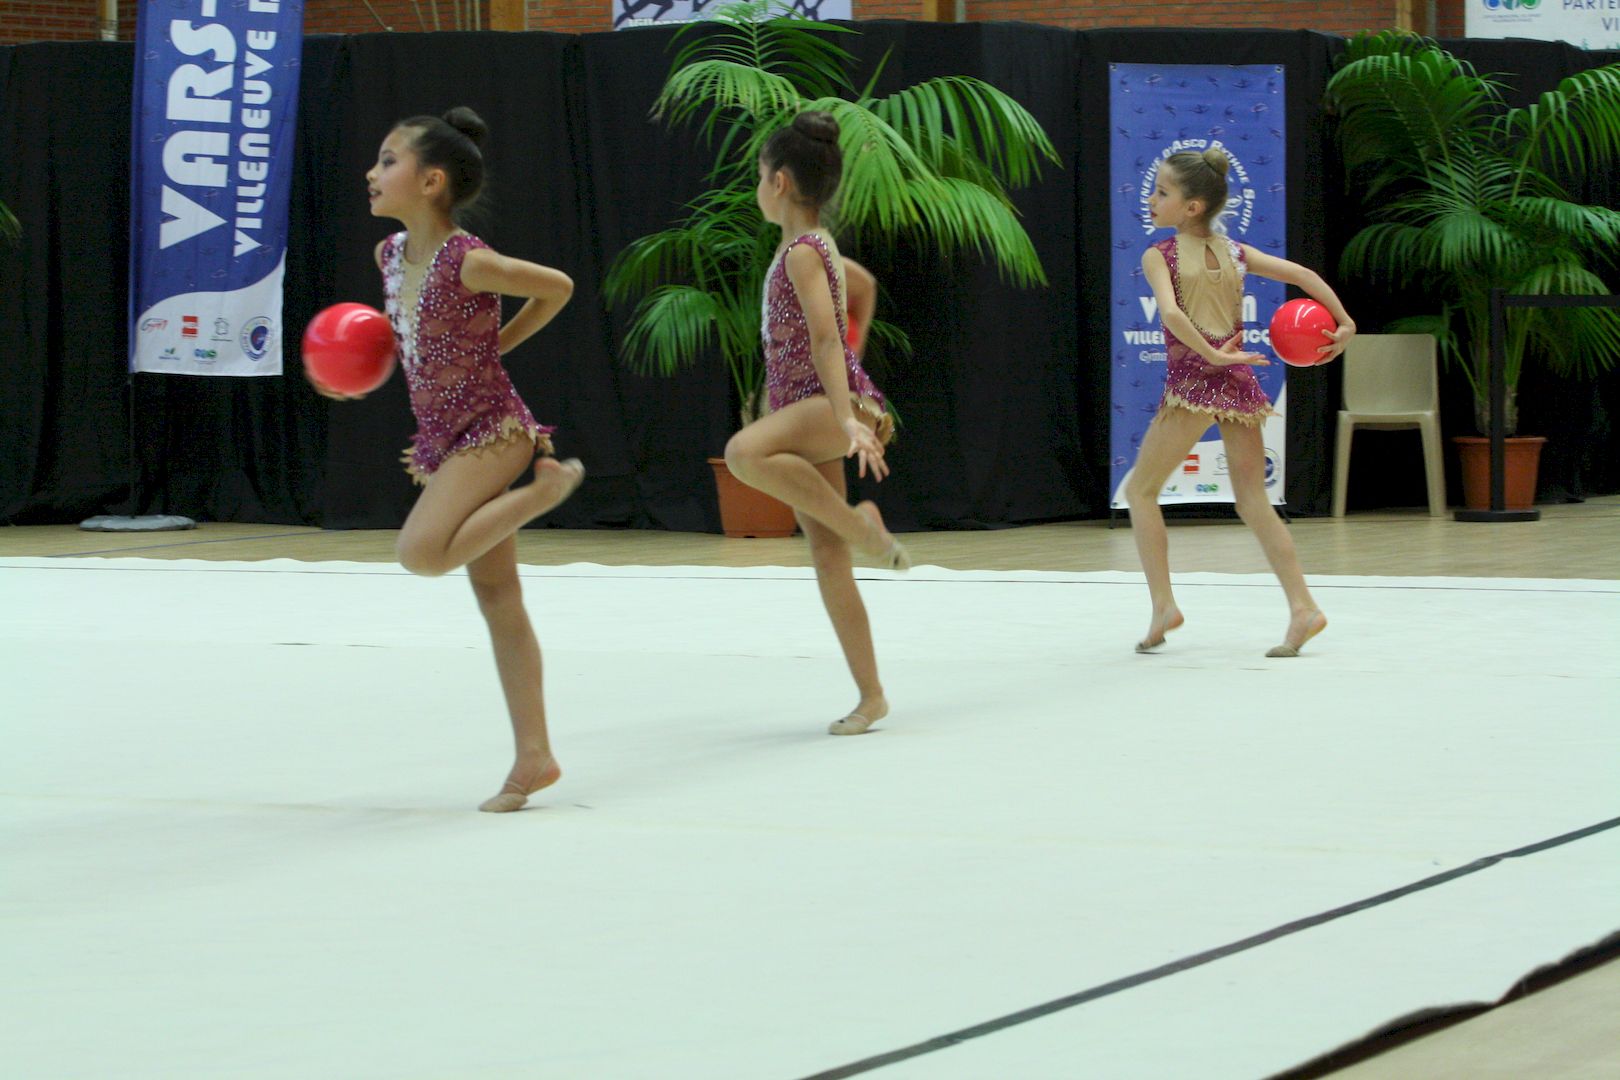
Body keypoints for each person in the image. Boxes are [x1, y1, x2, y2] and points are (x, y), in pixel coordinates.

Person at [323, 107, 584, 811]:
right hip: (444, 441)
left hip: (495, 432)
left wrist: (498, 348)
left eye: (387, 161)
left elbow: (558, 287)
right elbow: (407, 338)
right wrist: (349, 373)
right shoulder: (388, 256)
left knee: (421, 553)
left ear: (431, 180)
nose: (372, 173)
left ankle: (543, 493)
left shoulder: (468, 259)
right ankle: (535, 756)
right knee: (498, 597)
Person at [1127, 148, 1354, 657]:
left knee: (1141, 492)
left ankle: (1163, 605)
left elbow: (1171, 314)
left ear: (1192, 207)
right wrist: (1344, 321)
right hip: (1237, 382)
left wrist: (1209, 354)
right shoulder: (1235, 252)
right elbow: (1304, 276)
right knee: (1253, 501)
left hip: (1195, 383)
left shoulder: (1159, 254)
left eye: (1162, 192)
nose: (1152, 199)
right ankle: (1303, 607)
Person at [722, 110, 906, 736]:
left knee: (743, 453)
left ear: (778, 182)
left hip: (827, 408)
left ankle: (863, 528)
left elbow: (827, 339)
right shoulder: (813, 246)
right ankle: (872, 696)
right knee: (828, 556)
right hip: (813, 406)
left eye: (759, 176)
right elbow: (865, 288)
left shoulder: (803, 252)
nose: (757, 187)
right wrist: (850, 375)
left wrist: (847, 411)